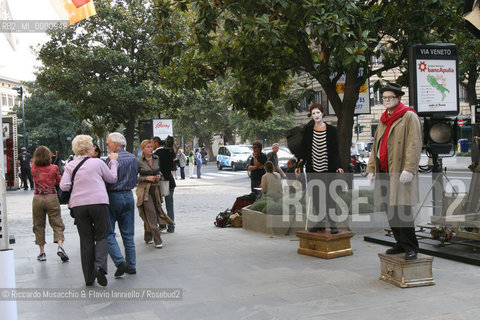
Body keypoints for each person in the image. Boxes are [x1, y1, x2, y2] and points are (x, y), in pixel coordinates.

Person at [366, 82, 422, 260]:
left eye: (390, 97)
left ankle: (411, 246)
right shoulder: (383, 119)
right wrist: (371, 169)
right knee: (390, 209)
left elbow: (414, 145)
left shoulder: (408, 116)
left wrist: (409, 169)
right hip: (384, 171)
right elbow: (376, 147)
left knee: (402, 210)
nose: (387, 100)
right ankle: (399, 242)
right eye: (384, 98)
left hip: (399, 171)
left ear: (398, 98)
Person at [60, 135, 118, 286]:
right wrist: (114, 162)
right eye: (92, 145)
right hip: (98, 202)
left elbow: (64, 186)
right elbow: (112, 178)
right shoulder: (97, 162)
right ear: (87, 149)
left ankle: (88, 277)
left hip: (78, 205)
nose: (94, 148)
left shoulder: (70, 165)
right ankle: (99, 265)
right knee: (102, 235)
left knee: (85, 239)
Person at [295, 103, 344, 234]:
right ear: (311, 116)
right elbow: (303, 151)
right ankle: (320, 223)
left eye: (318, 113)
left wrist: (339, 166)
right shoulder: (308, 131)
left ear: (323, 114)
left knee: (330, 196)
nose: (316, 115)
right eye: (313, 114)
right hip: (313, 169)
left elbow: (335, 151)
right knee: (316, 196)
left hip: (328, 169)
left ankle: (333, 223)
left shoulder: (332, 131)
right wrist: (299, 166)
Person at [105, 132, 138, 277]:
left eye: (108, 144)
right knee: (128, 233)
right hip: (129, 195)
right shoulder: (132, 158)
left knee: (108, 232)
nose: (107, 147)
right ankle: (132, 265)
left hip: (113, 196)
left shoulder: (110, 160)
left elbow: (107, 179)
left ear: (115, 144)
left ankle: (120, 260)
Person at [31, 146, 68, 262]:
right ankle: (60, 246)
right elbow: (59, 181)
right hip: (52, 196)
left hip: (37, 197)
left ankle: (42, 252)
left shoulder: (33, 168)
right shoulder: (54, 168)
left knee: (38, 224)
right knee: (57, 222)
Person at [137, 140, 174, 248]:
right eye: (148, 147)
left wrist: (159, 176)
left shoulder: (156, 158)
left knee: (152, 212)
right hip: (145, 190)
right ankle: (158, 240)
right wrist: (146, 178)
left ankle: (147, 236)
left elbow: (160, 171)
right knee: (151, 214)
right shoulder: (138, 161)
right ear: (143, 149)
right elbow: (135, 178)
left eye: (151, 147)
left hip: (156, 189)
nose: (150, 149)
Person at [152, 136, 176, 233]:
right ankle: (171, 226)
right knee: (169, 205)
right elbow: (174, 165)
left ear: (156, 143)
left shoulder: (156, 154)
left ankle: (162, 225)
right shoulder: (170, 151)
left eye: (152, 143)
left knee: (158, 204)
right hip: (170, 180)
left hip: (160, 181)